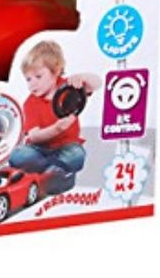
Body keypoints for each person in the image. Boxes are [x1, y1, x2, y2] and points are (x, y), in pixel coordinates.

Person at [9, 40, 100, 193]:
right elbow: (34, 136)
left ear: (56, 71)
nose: (32, 84)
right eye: (28, 79)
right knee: (18, 155)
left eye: (38, 76)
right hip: (39, 149)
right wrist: (56, 129)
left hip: (67, 147)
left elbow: (96, 84)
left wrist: (82, 77)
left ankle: (49, 173)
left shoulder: (68, 88)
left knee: (77, 154)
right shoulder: (30, 103)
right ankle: (54, 171)